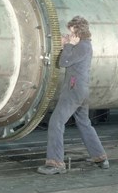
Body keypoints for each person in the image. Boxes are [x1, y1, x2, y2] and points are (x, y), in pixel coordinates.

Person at [37, 16, 108, 175]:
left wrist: (67, 45)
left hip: (73, 90)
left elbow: (63, 62)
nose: (69, 35)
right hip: (81, 90)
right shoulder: (84, 46)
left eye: (71, 32)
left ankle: (55, 163)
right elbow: (68, 60)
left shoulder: (82, 46)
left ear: (78, 31)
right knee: (84, 122)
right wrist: (67, 45)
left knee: (56, 122)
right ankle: (100, 157)